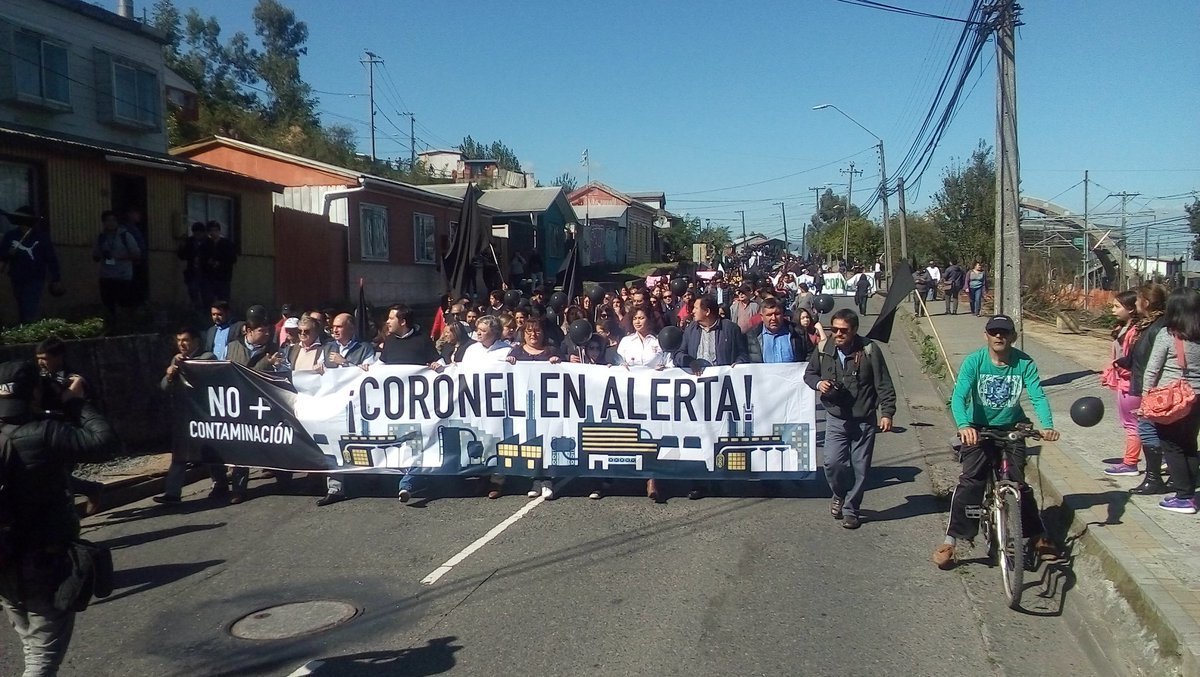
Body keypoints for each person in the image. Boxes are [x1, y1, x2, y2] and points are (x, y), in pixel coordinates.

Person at [0, 359, 117, 677]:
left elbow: (39, 474)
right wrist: (73, 401)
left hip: (5, 563)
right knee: (41, 662)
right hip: (43, 563)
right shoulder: (44, 433)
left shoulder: (10, 438)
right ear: (35, 392)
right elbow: (104, 441)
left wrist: (87, 487)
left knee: (30, 644)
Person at [933, 314, 1060, 569]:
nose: (999, 336)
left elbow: (1037, 395)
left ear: (1013, 336)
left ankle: (1036, 535)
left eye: (1004, 332)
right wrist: (964, 426)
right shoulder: (974, 362)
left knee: (1018, 485)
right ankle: (952, 540)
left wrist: (1047, 426)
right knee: (971, 482)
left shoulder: (1024, 363)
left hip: (1012, 428)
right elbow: (958, 397)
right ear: (986, 335)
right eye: (994, 332)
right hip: (977, 429)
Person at [803, 309, 896, 529]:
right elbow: (809, 373)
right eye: (834, 329)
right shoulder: (824, 348)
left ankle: (851, 509)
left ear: (854, 330)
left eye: (843, 330)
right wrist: (819, 384)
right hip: (836, 418)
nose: (838, 334)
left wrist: (887, 413)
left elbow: (883, 383)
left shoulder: (870, 350)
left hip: (864, 419)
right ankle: (839, 493)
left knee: (860, 467)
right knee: (833, 463)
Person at [673, 295, 748, 501]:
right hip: (696, 394)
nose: (692, 311)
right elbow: (678, 355)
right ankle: (697, 482)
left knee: (718, 435)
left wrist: (738, 364)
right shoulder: (690, 330)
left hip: (722, 392)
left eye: (696, 308)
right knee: (697, 435)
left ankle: (717, 480)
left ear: (707, 311)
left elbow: (744, 354)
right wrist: (689, 361)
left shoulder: (730, 329)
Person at [1141, 288, 1200, 514]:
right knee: (1189, 444)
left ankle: (1184, 497)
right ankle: (1190, 490)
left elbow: (1152, 370)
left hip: (1172, 400)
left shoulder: (1169, 334)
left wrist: (1146, 398)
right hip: (1197, 398)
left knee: (1171, 446)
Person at [154, 328, 225, 505]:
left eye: (185, 340)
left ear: (196, 342)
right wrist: (170, 375)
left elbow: (203, 375)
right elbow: (164, 387)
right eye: (178, 340)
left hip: (204, 415)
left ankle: (220, 484)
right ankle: (172, 493)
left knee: (210, 452)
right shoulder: (176, 360)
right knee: (179, 455)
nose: (181, 344)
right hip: (184, 416)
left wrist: (185, 364)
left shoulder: (207, 357)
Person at [318, 314, 378, 506]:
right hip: (332, 406)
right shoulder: (327, 348)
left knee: (361, 443)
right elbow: (317, 371)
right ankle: (335, 488)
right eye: (333, 327)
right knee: (333, 445)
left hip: (357, 407)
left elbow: (372, 375)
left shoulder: (365, 348)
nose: (335, 330)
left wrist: (345, 363)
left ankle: (370, 478)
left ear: (350, 328)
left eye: (339, 327)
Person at [1125, 284, 1169, 494]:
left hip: (1154, 389)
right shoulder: (1147, 325)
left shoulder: (1158, 326)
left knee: (1147, 429)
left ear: (1147, 302)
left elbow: (1155, 361)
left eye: (1137, 299)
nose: (1134, 304)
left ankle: (1154, 478)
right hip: (1146, 384)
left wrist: (1148, 390)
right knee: (1149, 429)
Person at [1101, 291, 1143, 477]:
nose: (1113, 310)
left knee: (1132, 424)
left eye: (1117, 306)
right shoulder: (1124, 329)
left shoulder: (1134, 333)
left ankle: (1130, 463)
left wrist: (1119, 369)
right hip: (1124, 382)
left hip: (1130, 384)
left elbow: (1130, 360)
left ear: (1132, 308)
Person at [1, 206, 61, 324]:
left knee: (30, 306)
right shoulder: (10, 236)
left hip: (36, 277)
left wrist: (56, 278)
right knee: (21, 306)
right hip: (17, 276)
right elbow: (3, 256)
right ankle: (25, 332)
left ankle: (29, 331)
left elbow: (51, 258)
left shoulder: (41, 237)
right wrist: (9, 254)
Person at [91, 210, 141, 319]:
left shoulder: (125, 236)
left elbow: (137, 255)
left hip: (123, 276)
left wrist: (119, 258)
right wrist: (102, 254)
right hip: (106, 276)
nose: (110, 223)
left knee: (123, 305)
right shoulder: (101, 237)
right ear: (103, 222)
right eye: (107, 220)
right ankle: (111, 326)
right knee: (108, 306)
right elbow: (95, 256)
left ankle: (125, 326)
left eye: (113, 220)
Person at [746, 298, 806, 364]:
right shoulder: (752, 336)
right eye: (769, 315)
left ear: (783, 314)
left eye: (777, 314)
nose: (773, 318)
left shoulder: (798, 332)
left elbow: (809, 354)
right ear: (762, 317)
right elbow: (744, 357)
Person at [199, 221, 236, 306]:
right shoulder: (204, 245)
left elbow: (232, 259)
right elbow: (201, 260)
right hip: (208, 277)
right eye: (211, 231)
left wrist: (220, 264)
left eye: (215, 230)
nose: (213, 233)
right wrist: (208, 262)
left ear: (219, 231)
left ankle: (225, 318)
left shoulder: (227, 244)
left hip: (223, 277)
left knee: (223, 300)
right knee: (208, 300)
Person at [177, 222, 207, 310]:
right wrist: (181, 246)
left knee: (206, 295)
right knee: (193, 293)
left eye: (199, 233)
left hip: (206, 273)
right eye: (195, 233)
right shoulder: (189, 241)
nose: (197, 235)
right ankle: (197, 311)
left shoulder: (208, 242)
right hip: (192, 272)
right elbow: (182, 256)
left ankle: (205, 312)